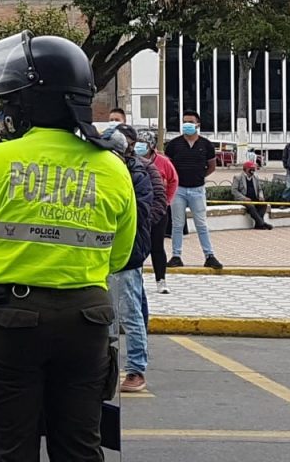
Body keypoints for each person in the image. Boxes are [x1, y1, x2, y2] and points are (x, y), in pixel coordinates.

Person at [0, 31, 137, 461]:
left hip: (9, 322)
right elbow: (120, 255)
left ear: (28, 102)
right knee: (80, 446)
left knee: (11, 447)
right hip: (86, 320)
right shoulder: (111, 166)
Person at [105, 124, 160, 393]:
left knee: (130, 314)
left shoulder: (136, 174)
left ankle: (136, 369)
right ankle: (106, 367)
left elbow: (141, 211)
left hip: (128, 253)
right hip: (102, 251)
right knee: (105, 314)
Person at [165, 110, 223, 269]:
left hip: (197, 189)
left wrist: (199, 176)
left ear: (198, 125)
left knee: (201, 224)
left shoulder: (206, 144)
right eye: (184, 122)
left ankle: (209, 255)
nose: (187, 125)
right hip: (179, 190)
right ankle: (176, 256)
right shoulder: (174, 144)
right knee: (177, 225)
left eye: (190, 122)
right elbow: (168, 166)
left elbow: (212, 166)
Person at [136, 130, 178, 294]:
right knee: (138, 246)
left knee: (157, 246)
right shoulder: (132, 160)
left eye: (144, 144)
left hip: (159, 210)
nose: (140, 147)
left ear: (151, 146)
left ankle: (161, 280)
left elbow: (174, 181)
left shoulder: (163, 162)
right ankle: (137, 279)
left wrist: (166, 201)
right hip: (139, 209)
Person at [232, 161, 273, 230]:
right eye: (250, 168)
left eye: (253, 168)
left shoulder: (255, 177)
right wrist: (244, 198)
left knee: (263, 205)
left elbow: (260, 189)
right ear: (245, 169)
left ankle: (258, 225)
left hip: (254, 198)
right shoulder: (238, 177)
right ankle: (262, 223)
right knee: (251, 206)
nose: (252, 170)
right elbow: (234, 191)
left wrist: (261, 196)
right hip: (243, 199)